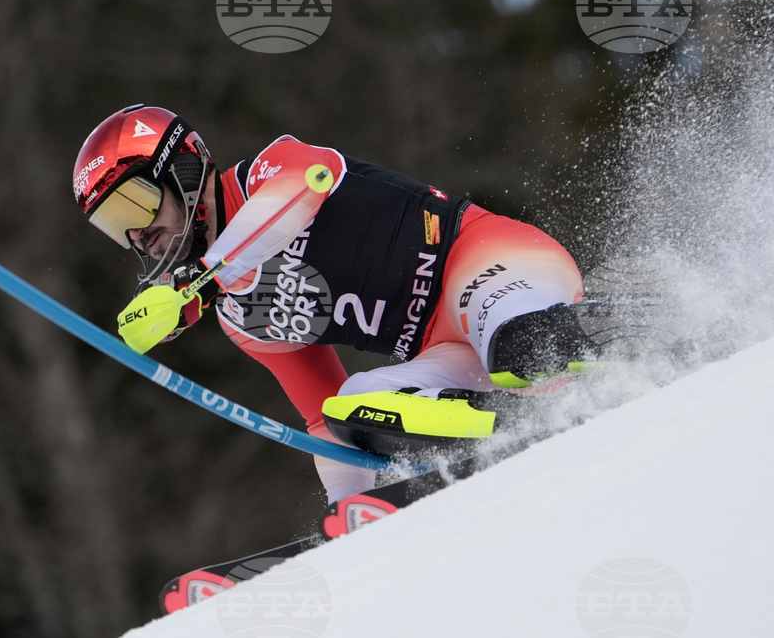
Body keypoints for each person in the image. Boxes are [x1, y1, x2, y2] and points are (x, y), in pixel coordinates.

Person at [72, 104, 593, 504]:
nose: (138, 234)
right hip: (443, 346)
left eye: (133, 203)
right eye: (115, 227)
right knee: (356, 406)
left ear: (182, 167)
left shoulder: (264, 171)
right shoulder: (240, 316)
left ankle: (629, 351)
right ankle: (527, 431)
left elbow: (308, 182)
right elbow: (325, 426)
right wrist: (349, 516)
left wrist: (202, 282)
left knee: (521, 350)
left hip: (489, 264)